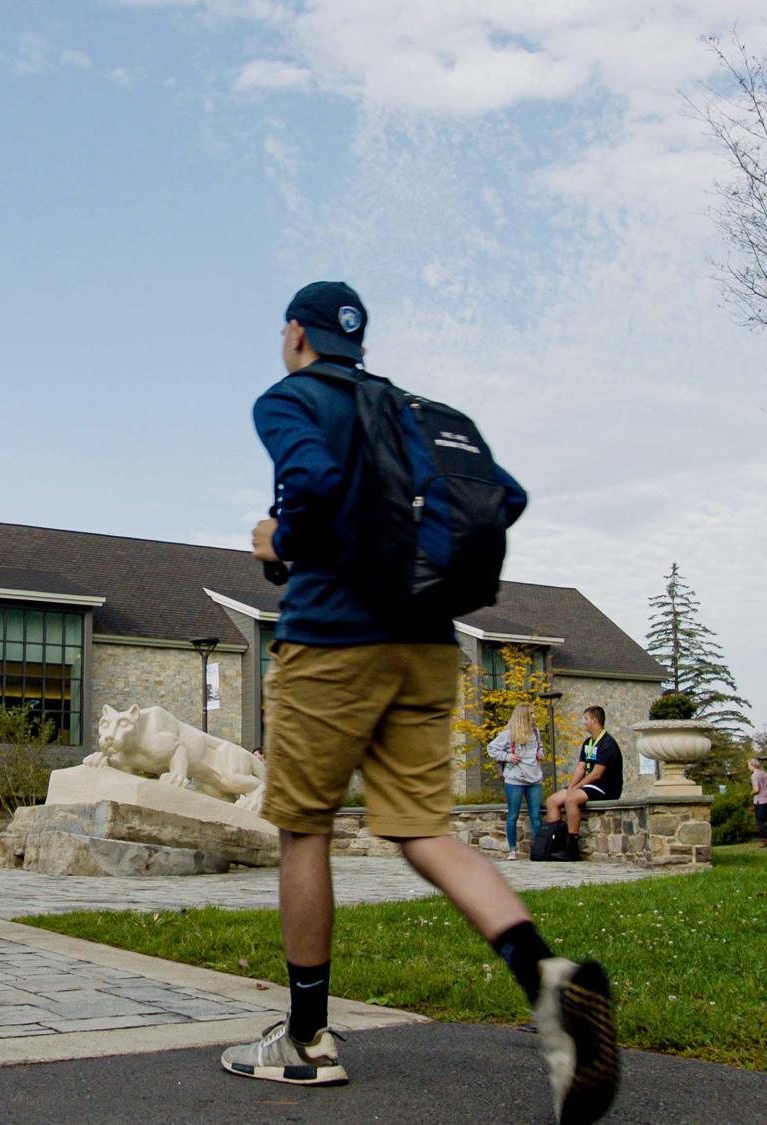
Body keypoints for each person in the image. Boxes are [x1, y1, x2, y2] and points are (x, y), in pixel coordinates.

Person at [223, 281, 618, 1125]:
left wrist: (276, 542)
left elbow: (315, 483)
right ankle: (548, 978)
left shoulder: (289, 397)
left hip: (332, 642)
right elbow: (502, 494)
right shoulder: (415, 410)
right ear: (357, 342)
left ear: (296, 333)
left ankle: (307, 1039)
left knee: (306, 827)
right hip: (428, 645)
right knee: (423, 829)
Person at [543, 706, 623, 863]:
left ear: (594, 720)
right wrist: (572, 786)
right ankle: (553, 844)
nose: (583, 722)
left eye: (585, 718)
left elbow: (596, 774)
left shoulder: (608, 744)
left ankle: (572, 848)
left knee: (571, 799)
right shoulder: (588, 742)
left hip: (605, 787)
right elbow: (581, 768)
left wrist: (576, 789)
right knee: (552, 801)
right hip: (587, 785)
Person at [488, 703, 544, 860]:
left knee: (536, 816)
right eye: (531, 713)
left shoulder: (536, 732)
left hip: (534, 778)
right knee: (513, 815)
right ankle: (512, 850)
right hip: (515, 779)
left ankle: (538, 849)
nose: (534, 716)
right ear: (523, 715)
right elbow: (491, 748)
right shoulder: (509, 734)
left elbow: (539, 748)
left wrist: (540, 752)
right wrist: (507, 757)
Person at [749, 757, 767, 848]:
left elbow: (756, 789)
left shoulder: (754, 775)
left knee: (760, 821)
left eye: (749, 766)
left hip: (759, 801)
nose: (748, 767)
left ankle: (766, 840)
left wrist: (751, 793)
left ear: (753, 765)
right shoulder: (766, 774)